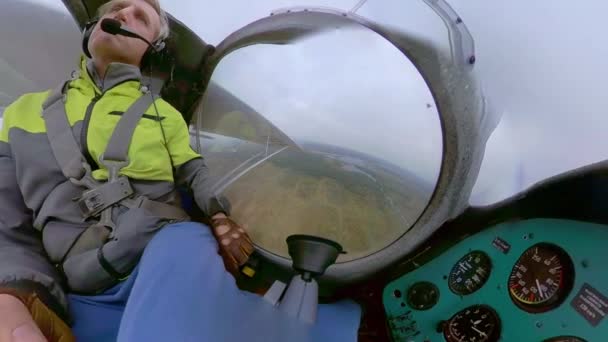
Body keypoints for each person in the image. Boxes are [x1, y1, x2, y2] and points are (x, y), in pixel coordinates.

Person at [0, 0, 257, 340]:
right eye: (116, 8)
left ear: (153, 47)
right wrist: (13, 296)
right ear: (94, 28)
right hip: (80, 284)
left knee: (187, 239)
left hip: (163, 251)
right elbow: (5, 219)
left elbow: (194, 170)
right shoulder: (21, 113)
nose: (123, 15)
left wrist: (219, 215)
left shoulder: (164, 113)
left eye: (141, 17)